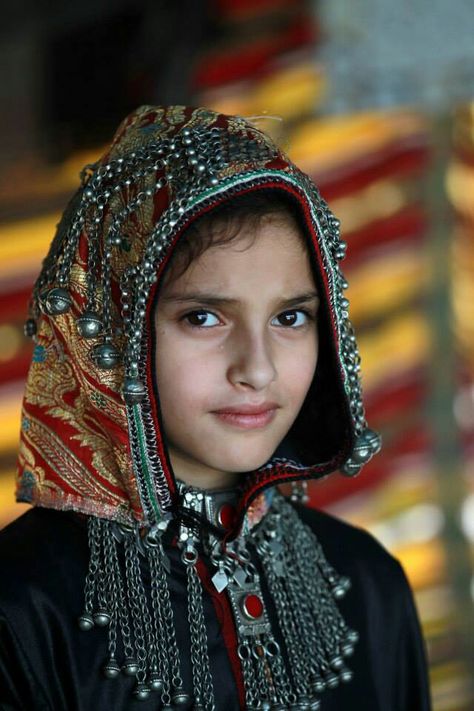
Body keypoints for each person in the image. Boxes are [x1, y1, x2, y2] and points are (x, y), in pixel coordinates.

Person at [0, 105, 432, 710]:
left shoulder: (367, 584)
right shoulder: (22, 606)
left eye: (291, 317)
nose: (256, 368)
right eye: (203, 317)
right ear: (112, 335)